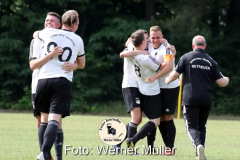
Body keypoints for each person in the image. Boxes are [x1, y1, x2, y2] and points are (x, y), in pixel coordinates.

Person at [165, 35, 229, 160]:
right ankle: (199, 153)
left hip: (190, 98)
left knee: (191, 126)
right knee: (202, 126)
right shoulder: (211, 61)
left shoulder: (186, 57)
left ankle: (198, 145)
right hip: (206, 99)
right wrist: (227, 79)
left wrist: (167, 80)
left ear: (193, 46)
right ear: (205, 46)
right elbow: (222, 82)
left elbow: (175, 75)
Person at [33, 10, 85, 160]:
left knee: (44, 117)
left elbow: (35, 34)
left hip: (43, 80)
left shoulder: (48, 32)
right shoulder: (78, 39)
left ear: (62, 22)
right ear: (75, 24)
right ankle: (44, 153)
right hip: (62, 81)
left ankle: (44, 153)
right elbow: (82, 64)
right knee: (55, 119)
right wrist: (74, 66)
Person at [120, 29, 163, 153]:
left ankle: (119, 142)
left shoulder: (131, 46)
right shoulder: (142, 55)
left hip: (137, 85)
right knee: (137, 118)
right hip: (129, 85)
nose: (149, 39)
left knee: (138, 119)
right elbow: (161, 67)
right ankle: (130, 145)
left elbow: (128, 43)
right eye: (147, 37)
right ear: (142, 41)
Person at [145, 26, 179, 154]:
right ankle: (150, 149)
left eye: (158, 37)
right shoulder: (146, 43)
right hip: (155, 87)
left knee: (167, 116)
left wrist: (154, 77)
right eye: (152, 37)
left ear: (162, 36)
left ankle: (169, 149)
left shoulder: (167, 48)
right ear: (149, 37)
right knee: (154, 117)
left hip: (169, 86)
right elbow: (129, 41)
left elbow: (169, 67)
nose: (155, 40)